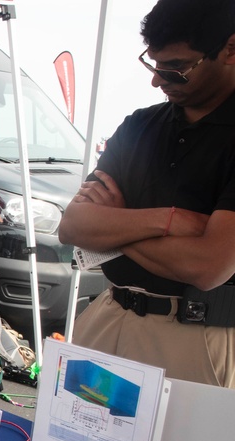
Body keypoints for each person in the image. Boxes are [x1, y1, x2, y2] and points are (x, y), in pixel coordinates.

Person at [59, 0, 235, 387]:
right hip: (110, 315)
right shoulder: (139, 125)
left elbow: (209, 267)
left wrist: (115, 227)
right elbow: (72, 226)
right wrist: (165, 221)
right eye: (152, 63)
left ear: (230, 50)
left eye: (176, 67)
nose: (158, 79)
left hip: (195, 336)